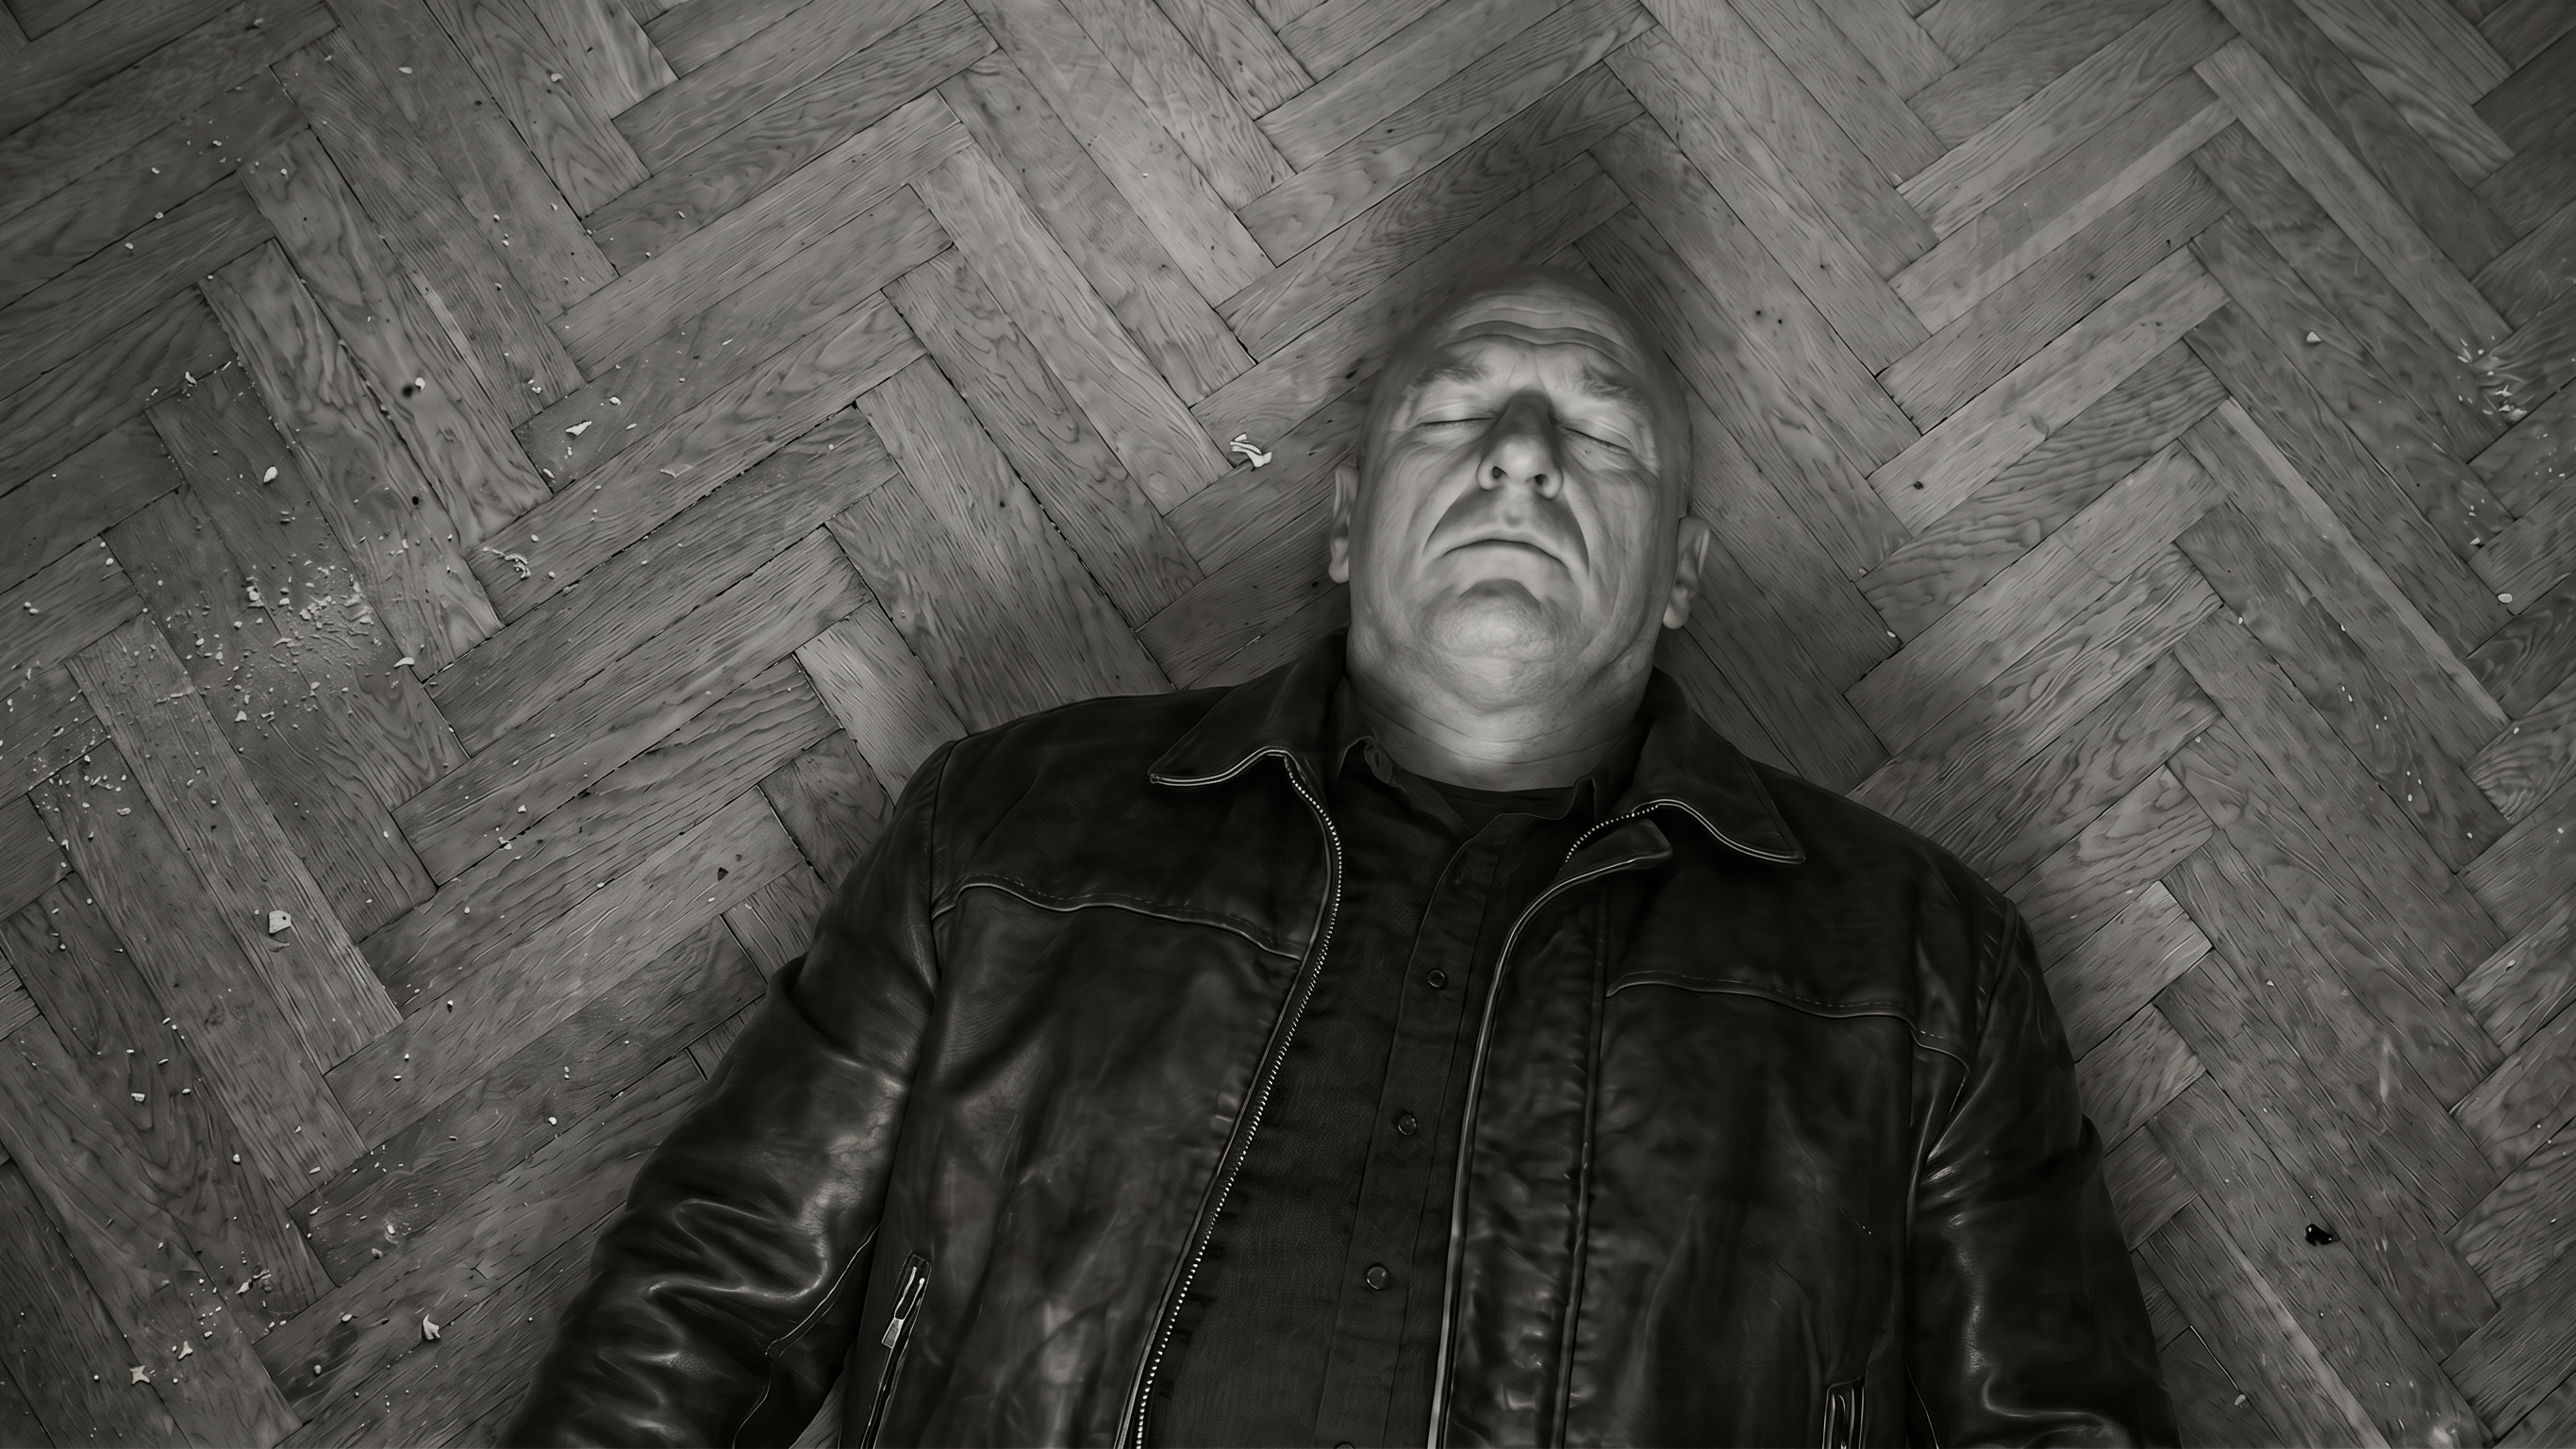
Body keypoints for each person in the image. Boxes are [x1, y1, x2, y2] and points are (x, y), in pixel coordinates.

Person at [503, 266, 2177, 1447]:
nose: (1521, 450)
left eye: (1598, 434)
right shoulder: (1006, 825)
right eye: (1454, 412)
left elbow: (2058, 1424)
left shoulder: (1919, 961)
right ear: (1337, 519)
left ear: (1679, 573)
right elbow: (711, 1288)